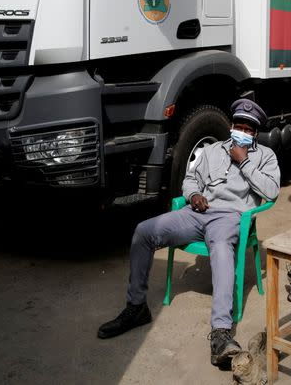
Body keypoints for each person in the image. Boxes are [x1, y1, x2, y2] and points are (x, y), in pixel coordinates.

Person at [97, 99, 280, 367]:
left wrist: (245, 163)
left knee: (220, 249)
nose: (242, 131)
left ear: (254, 133)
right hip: (197, 213)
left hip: (230, 218)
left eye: (248, 129)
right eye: (238, 126)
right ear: (231, 126)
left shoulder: (265, 156)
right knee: (144, 232)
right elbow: (190, 179)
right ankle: (136, 308)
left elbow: (272, 191)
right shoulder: (212, 150)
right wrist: (193, 194)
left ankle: (220, 333)